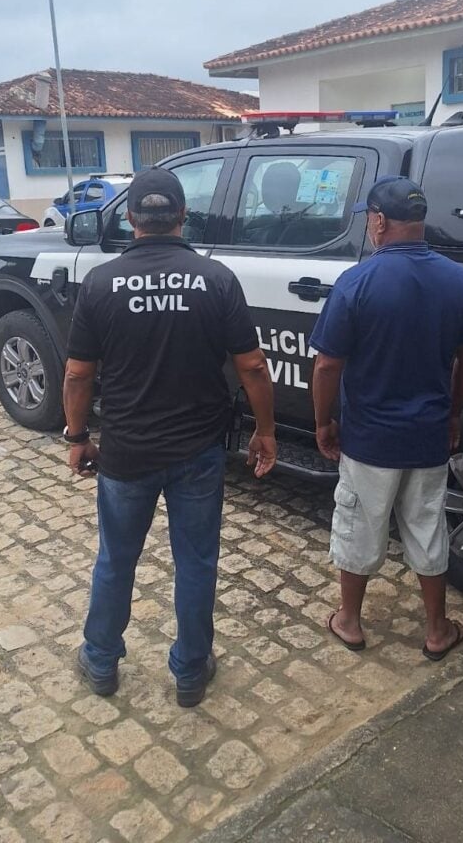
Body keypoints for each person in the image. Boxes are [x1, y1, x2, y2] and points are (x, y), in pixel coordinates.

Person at [63, 167, 276, 707]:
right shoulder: (217, 279)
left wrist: (77, 436)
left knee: (116, 560)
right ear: (183, 216)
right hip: (197, 451)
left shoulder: (101, 283)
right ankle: (190, 670)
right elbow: (252, 365)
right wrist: (266, 430)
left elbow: (78, 374)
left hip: (126, 453)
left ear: (130, 218)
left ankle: (101, 660)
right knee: (197, 562)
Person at [310, 176, 463, 661]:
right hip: (428, 435)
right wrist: (453, 413)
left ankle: (349, 622)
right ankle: (437, 631)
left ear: (379, 221)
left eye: (369, 218)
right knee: (428, 527)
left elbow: (326, 366)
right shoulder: (460, 281)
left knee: (359, 525)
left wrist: (323, 423)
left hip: (369, 439)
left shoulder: (357, 281)